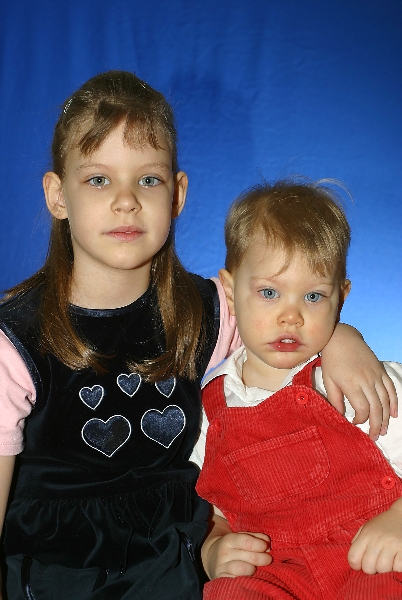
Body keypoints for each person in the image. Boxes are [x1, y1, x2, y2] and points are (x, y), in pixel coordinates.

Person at [0, 72, 395, 600]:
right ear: (57, 195)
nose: (126, 201)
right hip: (59, 567)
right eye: (98, 180)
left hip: (176, 557)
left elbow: (291, 315)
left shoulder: (211, 311)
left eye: (148, 180)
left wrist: (343, 337)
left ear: (178, 194)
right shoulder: (17, 340)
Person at [194, 179, 402, 599]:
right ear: (230, 293)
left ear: (341, 297)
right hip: (276, 572)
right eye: (269, 292)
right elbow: (215, 510)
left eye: (313, 296)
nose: (291, 316)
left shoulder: (361, 379)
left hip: (372, 561)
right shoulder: (211, 409)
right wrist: (214, 548)